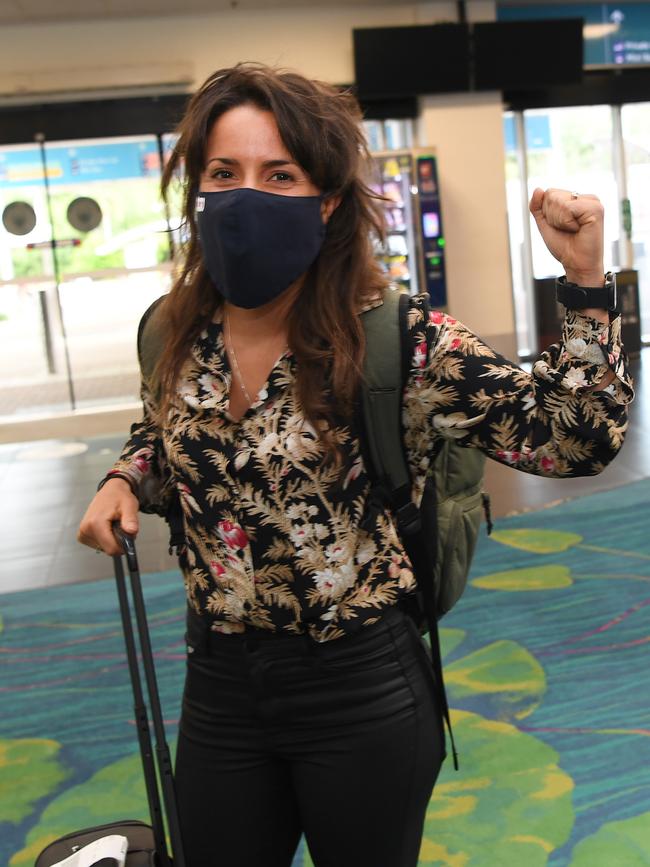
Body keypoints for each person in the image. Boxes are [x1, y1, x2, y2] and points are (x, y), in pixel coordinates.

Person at [78, 63, 633, 867]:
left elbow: (573, 436)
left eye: (280, 175)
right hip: (221, 685)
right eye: (222, 174)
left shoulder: (397, 339)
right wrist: (127, 474)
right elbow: (167, 435)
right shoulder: (170, 334)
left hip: (359, 688)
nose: (243, 198)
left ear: (328, 200)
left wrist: (584, 280)